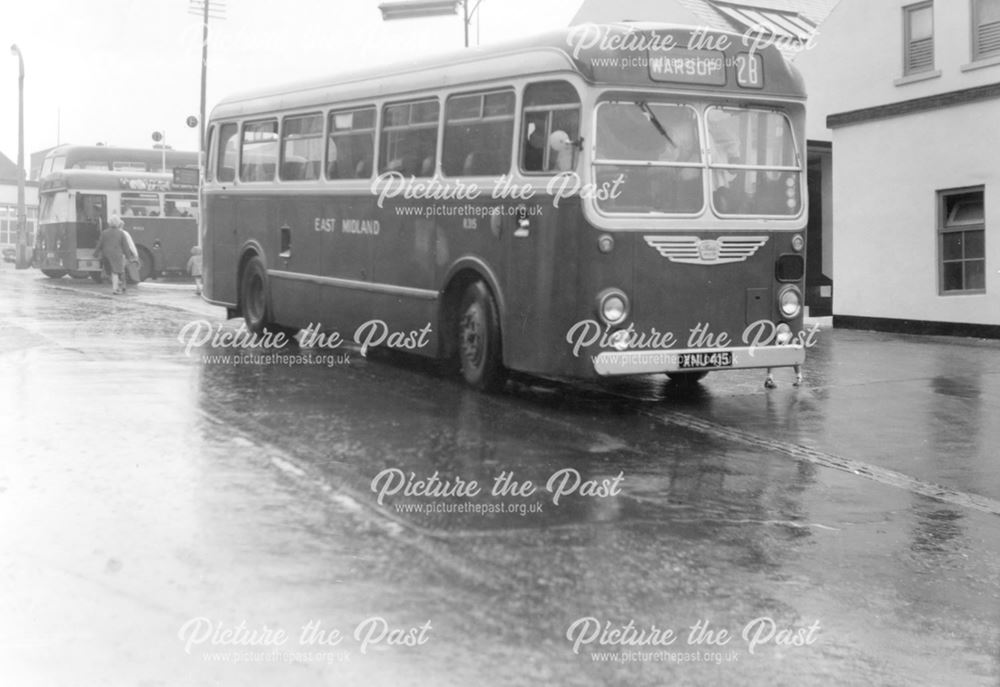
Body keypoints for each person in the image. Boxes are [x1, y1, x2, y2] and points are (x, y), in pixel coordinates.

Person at [93, 214, 135, 295]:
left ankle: (117, 286)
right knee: (116, 272)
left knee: (112, 272)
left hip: (106, 255)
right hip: (117, 255)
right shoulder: (121, 233)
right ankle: (116, 289)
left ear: (109, 223)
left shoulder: (104, 233)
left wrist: (95, 253)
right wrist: (129, 257)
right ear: (118, 223)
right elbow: (125, 247)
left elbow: (100, 244)